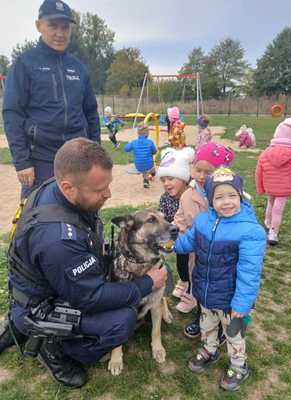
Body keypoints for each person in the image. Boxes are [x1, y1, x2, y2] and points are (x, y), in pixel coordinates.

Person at [2, 138, 167, 388]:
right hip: (46, 302)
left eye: (108, 185)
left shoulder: (57, 187)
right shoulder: (58, 240)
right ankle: (52, 347)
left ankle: (19, 322)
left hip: (55, 281)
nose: (108, 194)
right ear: (68, 187)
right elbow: (90, 297)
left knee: (162, 275)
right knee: (122, 321)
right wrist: (145, 283)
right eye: (100, 189)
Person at [174, 167, 266, 391]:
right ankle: (209, 349)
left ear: (241, 196)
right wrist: (174, 245)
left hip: (231, 300)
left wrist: (242, 304)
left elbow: (249, 272)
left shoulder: (250, 231)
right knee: (207, 324)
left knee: (234, 333)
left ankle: (238, 364)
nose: (226, 202)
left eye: (232, 196)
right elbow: (191, 241)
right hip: (206, 291)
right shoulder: (204, 219)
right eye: (219, 197)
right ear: (210, 199)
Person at [2, 0, 100, 198]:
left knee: (83, 216)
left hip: (78, 158)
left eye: (65, 27)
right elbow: (12, 113)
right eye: (52, 26)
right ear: (39, 26)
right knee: (38, 220)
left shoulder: (79, 68)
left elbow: (91, 113)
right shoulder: (24, 63)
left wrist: (95, 155)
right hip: (40, 161)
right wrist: (23, 162)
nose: (60, 33)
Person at [174, 143, 235, 318]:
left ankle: (213, 315)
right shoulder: (187, 194)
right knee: (193, 274)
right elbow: (180, 216)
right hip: (193, 246)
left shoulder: (224, 196)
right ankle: (193, 299)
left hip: (216, 250)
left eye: (208, 172)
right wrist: (179, 232)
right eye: (198, 170)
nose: (201, 176)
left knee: (212, 281)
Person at [156, 147, 195, 312]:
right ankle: (184, 281)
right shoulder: (165, 198)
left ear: (184, 178)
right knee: (181, 263)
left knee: (194, 266)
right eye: (163, 180)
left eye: (171, 178)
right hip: (178, 238)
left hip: (194, 239)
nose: (166, 183)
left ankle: (192, 293)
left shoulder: (194, 195)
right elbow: (164, 220)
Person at [256, 116, 291, 244]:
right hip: (284, 188)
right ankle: (273, 234)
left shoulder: (265, 152)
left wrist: (260, 187)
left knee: (271, 203)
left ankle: (268, 222)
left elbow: (259, 171)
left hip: (269, 186)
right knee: (278, 210)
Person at [124, 124, 157, 188]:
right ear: (147, 134)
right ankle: (149, 177)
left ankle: (146, 179)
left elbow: (126, 149)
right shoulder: (150, 142)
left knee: (144, 168)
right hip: (149, 165)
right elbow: (155, 152)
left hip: (138, 165)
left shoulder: (134, 142)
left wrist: (130, 143)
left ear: (138, 134)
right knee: (152, 168)